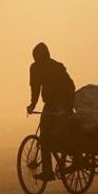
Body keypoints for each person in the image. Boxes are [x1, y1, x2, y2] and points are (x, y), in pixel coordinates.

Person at [26, 42, 75, 180]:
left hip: (62, 103)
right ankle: (48, 171)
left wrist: (67, 106)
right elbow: (35, 88)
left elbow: (70, 87)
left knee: (62, 133)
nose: (38, 60)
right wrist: (32, 104)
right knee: (44, 137)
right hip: (50, 104)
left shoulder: (56, 67)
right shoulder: (35, 68)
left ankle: (72, 156)